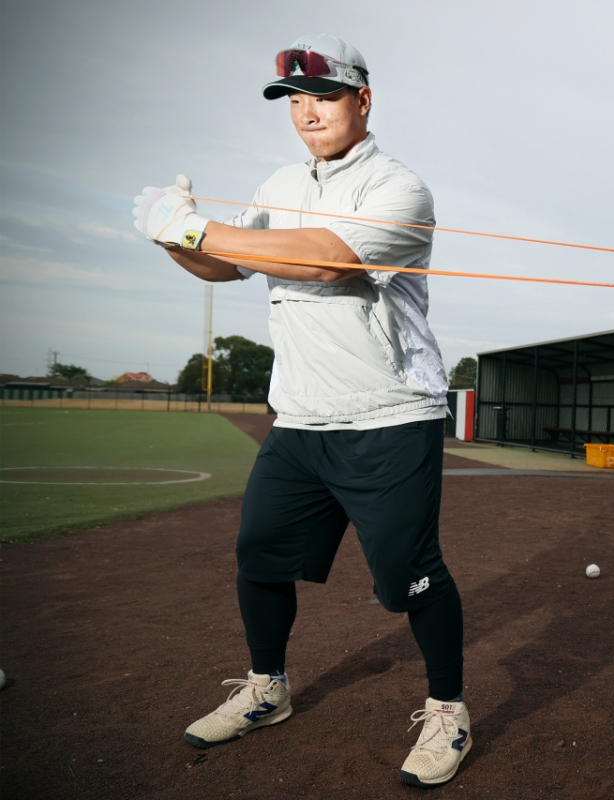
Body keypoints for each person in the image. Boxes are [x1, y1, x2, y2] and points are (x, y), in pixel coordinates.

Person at [131, 34, 469, 789]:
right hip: (301, 420)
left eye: (323, 95)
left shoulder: (398, 188)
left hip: (388, 416)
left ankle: (448, 709)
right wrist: (172, 236)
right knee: (259, 557)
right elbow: (227, 262)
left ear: (362, 100)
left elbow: (323, 257)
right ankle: (267, 689)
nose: (307, 111)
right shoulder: (279, 180)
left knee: (411, 580)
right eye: (294, 99)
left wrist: (194, 228)